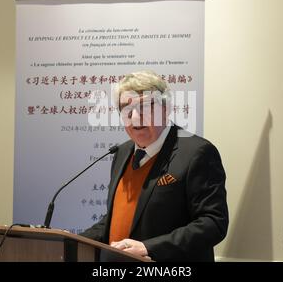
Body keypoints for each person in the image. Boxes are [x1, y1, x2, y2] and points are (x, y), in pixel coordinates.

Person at [80, 70, 228, 262]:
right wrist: (70, 240)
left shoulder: (197, 153)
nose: (134, 117)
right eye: (126, 109)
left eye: (144, 107)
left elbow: (213, 223)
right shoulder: (122, 152)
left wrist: (148, 248)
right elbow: (117, 218)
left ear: (166, 109)